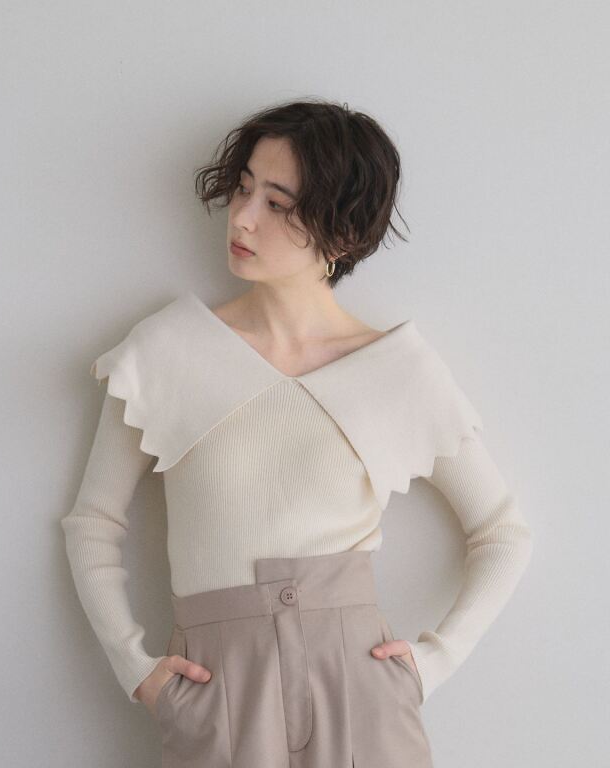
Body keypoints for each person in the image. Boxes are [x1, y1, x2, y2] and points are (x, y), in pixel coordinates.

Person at [61, 98, 533, 767]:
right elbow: (92, 522)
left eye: (278, 203)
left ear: (342, 235)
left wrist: (431, 665)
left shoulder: (395, 371)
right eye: (244, 188)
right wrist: (136, 670)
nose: (243, 216)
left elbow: (502, 531)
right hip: (218, 693)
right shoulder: (167, 351)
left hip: (361, 695)